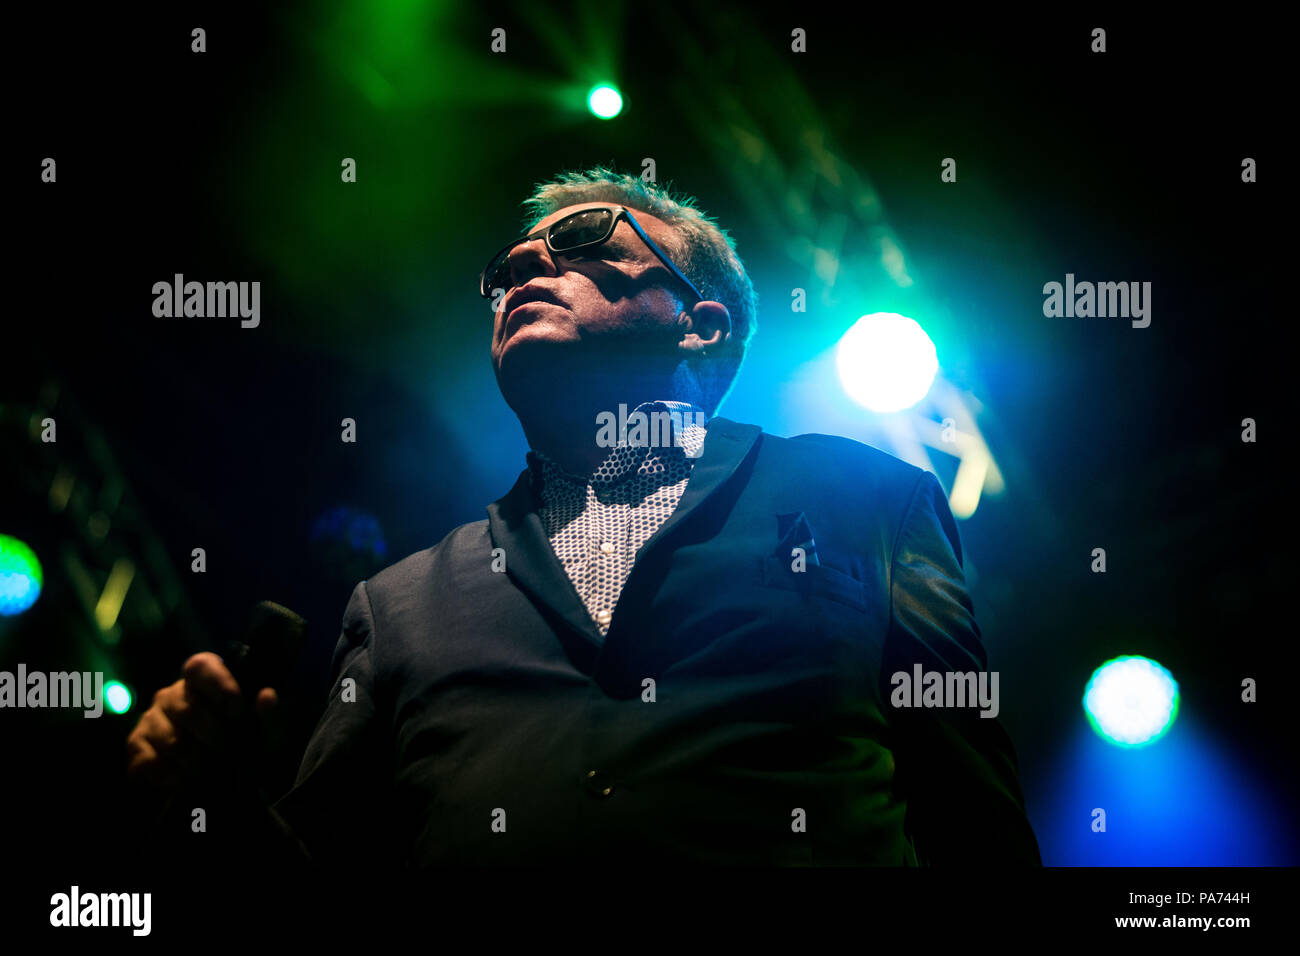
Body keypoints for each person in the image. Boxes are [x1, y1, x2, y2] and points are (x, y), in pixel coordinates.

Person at [126, 166, 1042, 867]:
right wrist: (211, 800)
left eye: (586, 237)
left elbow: (977, 821)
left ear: (701, 322)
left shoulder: (873, 499)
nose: (524, 261)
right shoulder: (400, 604)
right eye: (511, 262)